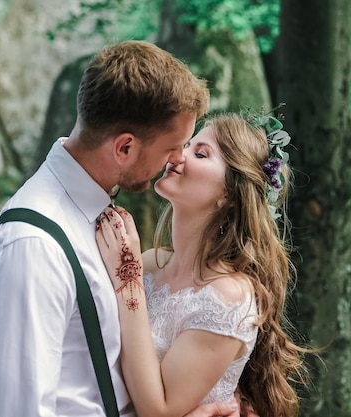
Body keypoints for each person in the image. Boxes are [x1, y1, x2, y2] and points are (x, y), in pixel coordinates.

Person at [0, 40, 243, 417]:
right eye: (173, 148)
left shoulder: (101, 223)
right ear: (124, 148)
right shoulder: (32, 248)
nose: (178, 160)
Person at [96, 111, 308, 417]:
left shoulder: (227, 298)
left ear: (229, 194)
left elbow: (159, 411)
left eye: (200, 153)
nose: (177, 156)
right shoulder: (151, 263)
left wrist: (127, 278)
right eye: (185, 144)